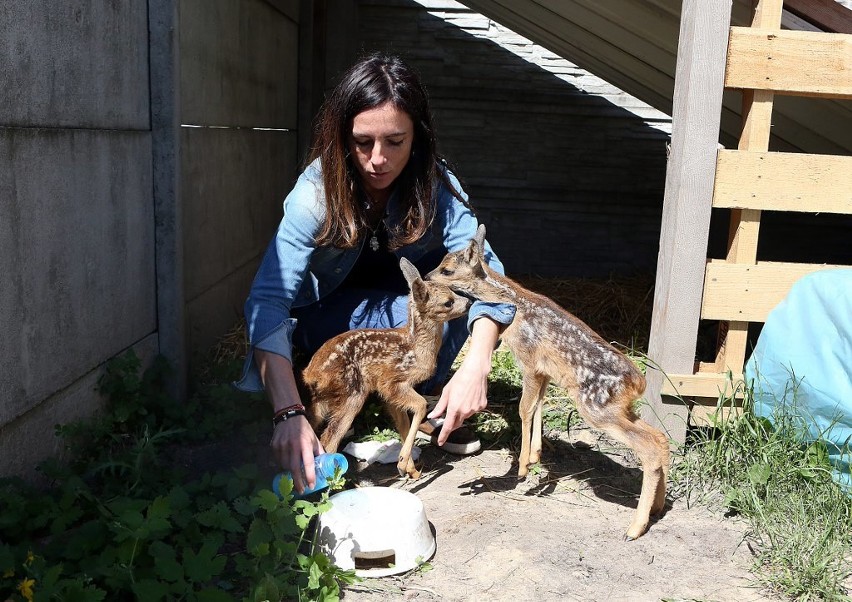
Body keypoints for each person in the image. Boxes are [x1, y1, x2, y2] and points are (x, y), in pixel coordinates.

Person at [235, 53, 515, 494]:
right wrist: (287, 413)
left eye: (395, 142)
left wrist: (478, 365)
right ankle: (352, 398)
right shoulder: (314, 195)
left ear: (417, 141)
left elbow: (487, 275)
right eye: (362, 142)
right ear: (342, 137)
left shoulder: (436, 185)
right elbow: (268, 301)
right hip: (329, 318)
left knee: (450, 299)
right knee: (422, 306)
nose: (377, 160)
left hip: (403, 313)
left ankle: (434, 389)